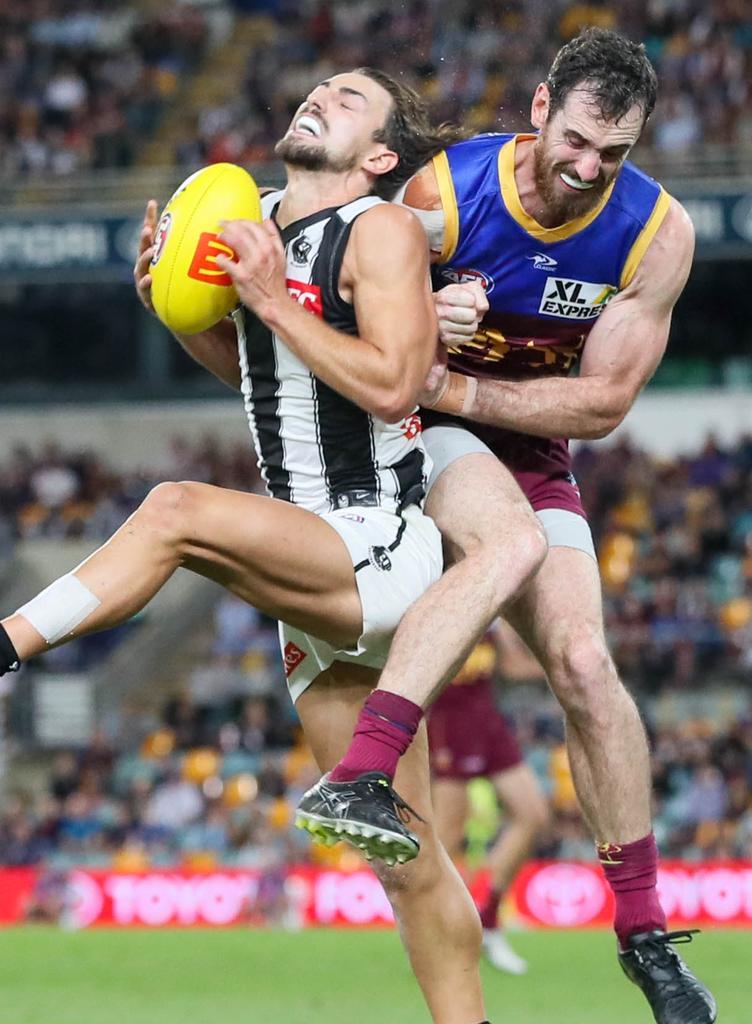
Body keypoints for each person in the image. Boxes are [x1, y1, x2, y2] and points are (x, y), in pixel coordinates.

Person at [0, 69, 525, 1024]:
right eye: (322, 85)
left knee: (175, 508)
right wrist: (175, 304)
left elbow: (398, 387)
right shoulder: (259, 218)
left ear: (380, 157)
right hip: (314, 578)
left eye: (350, 98)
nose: (321, 94)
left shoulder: (381, 229)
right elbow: (260, 372)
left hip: (379, 542)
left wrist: (272, 300)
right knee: (405, 853)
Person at [300, 30, 716, 1024]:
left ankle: (646, 936)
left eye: (611, 156)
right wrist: (414, 323)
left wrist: (460, 374)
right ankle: (364, 766)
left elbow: (601, 403)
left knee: (582, 661)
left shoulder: (658, 233)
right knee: (511, 544)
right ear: (540, 107)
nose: (586, 170)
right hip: (421, 429)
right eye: (575, 140)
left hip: (522, 441)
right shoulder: (443, 194)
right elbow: (347, 311)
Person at [428, 628, 549, 975]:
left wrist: (565, 659)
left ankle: (488, 915)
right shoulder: (433, 595)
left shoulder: (492, 601)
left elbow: (513, 666)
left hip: (486, 719)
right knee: (447, 834)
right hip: (449, 721)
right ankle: (440, 932)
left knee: (534, 815)